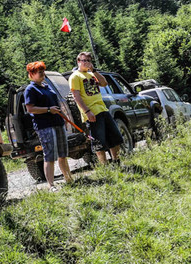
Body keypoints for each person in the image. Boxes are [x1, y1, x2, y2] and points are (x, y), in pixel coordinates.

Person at [24, 61, 73, 190]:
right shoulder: (30, 89)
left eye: (43, 71)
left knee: (63, 153)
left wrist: (65, 117)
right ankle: (51, 185)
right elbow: (30, 109)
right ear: (32, 74)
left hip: (58, 122)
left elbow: (56, 104)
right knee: (50, 155)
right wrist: (47, 110)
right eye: (39, 72)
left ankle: (69, 179)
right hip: (44, 126)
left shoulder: (47, 87)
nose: (42, 74)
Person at [68, 52, 123, 165]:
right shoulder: (75, 76)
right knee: (99, 141)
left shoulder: (92, 74)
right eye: (84, 60)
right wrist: (87, 111)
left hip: (103, 109)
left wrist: (94, 70)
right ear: (78, 61)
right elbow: (76, 96)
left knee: (115, 137)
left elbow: (104, 83)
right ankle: (104, 166)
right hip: (91, 112)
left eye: (88, 60)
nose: (87, 63)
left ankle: (117, 162)